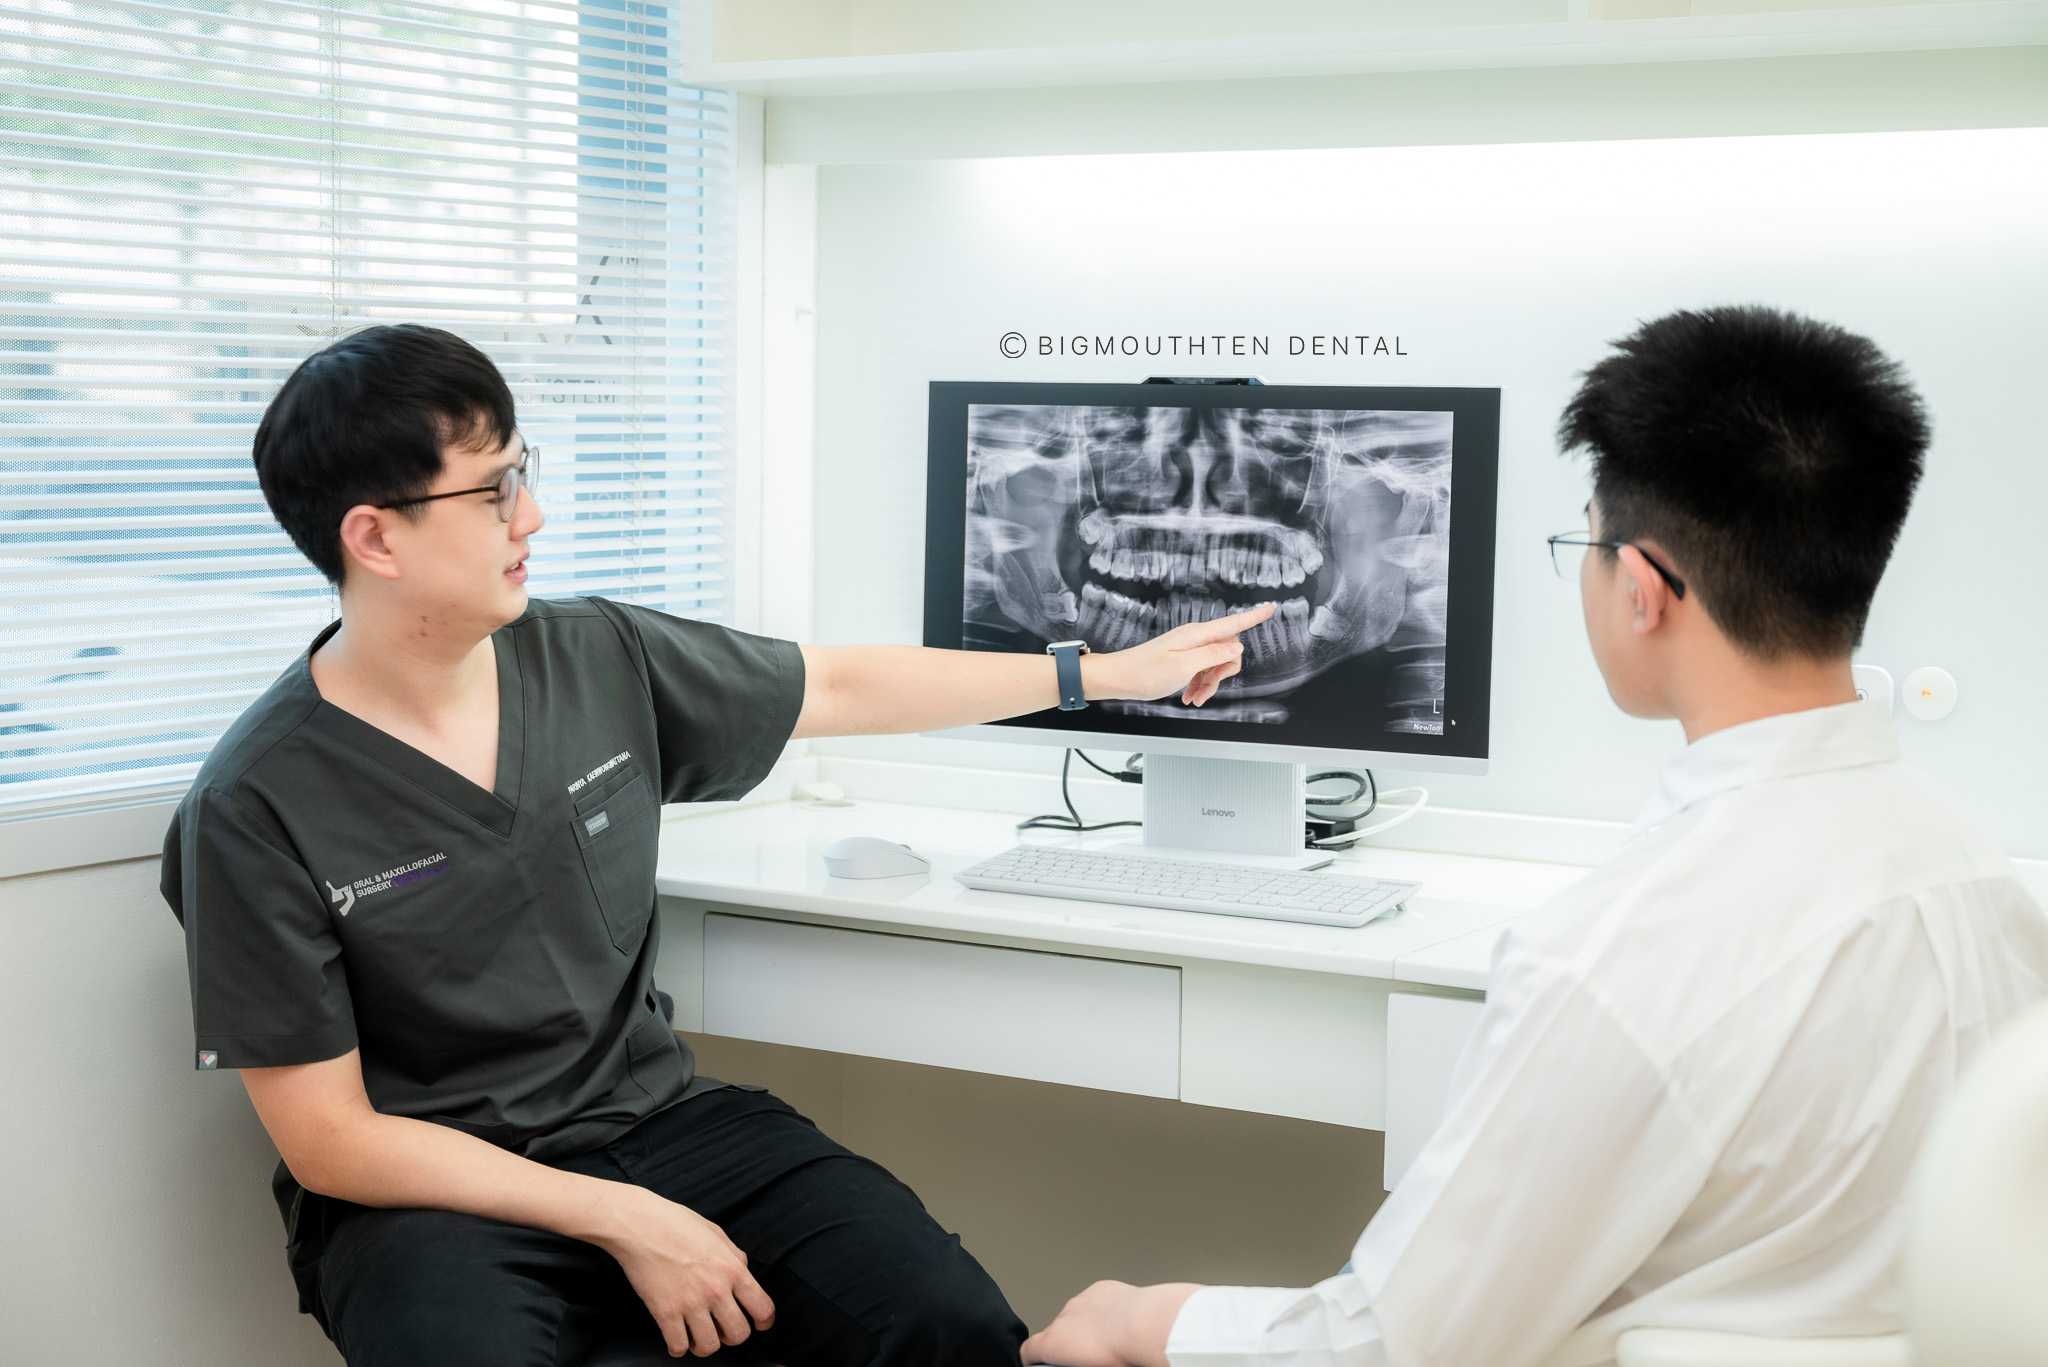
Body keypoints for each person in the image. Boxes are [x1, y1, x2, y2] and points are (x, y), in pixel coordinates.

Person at [159, 323, 1272, 1367]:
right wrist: (623, 1216)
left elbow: (831, 680)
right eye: (494, 487)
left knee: (949, 1325)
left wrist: (1103, 673)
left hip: (662, 1120)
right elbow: (332, 1141)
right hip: (435, 1193)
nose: (531, 515)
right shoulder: (256, 803)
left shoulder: (593, 654)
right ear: (374, 535)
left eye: (523, 471)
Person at [1020, 305, 2048, 1367]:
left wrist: (1137, 1316)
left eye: (1586, 545)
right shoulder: (1973, 866)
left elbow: (1389, 1347)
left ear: (1640, 588)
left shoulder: (1611, 957)